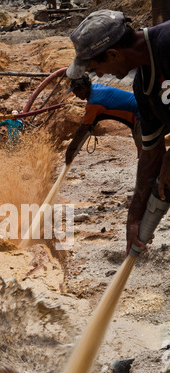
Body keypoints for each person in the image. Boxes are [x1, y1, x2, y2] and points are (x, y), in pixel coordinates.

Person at [66, 9, 170, 255]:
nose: (99, 75)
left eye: (96, 68)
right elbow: (151, 151)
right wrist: (134, 217)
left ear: (112, 54)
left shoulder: (168, 41)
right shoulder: (143, 86)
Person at [65, 72, 142, 165]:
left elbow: (84, 128)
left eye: (76, 91)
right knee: (143, 150)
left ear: (83, 88)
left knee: (146, 151)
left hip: (141, 112)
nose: (75, 95)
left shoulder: (94, 102)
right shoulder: (96, 89)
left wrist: (71, 149)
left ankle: (150, 176)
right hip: (138, 109)